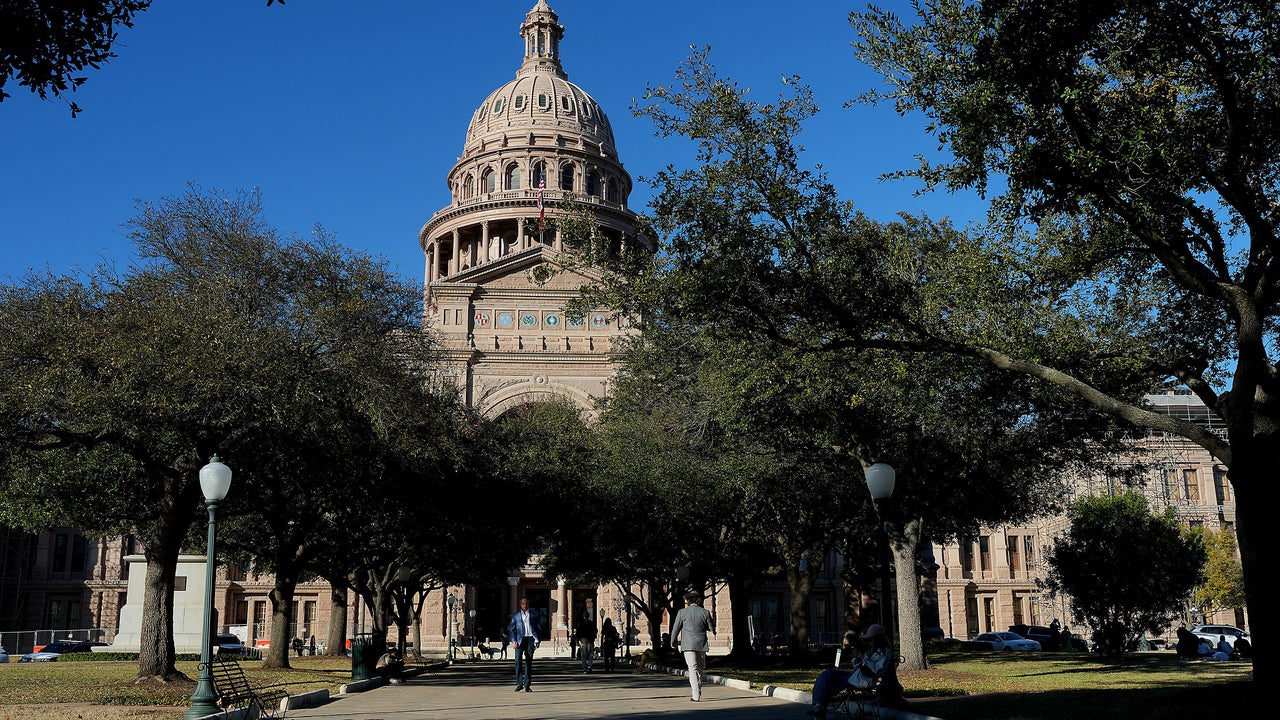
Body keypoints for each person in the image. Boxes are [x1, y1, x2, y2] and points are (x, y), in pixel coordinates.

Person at [807, 624, 892, 720]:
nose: (870, 641)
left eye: (871, 639)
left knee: (829, 683)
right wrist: (857, 658)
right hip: (857, 676)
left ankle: (819, 708)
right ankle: (818, 706)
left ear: (878, 638)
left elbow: (873, 670)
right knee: (827, 674)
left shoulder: (884, 652)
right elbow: (859, 666)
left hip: (864, 680)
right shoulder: (872, 650)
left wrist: (861, 657)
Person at [670, 591, 716, 702]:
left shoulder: (682, 612)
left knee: (692, 668)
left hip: (688, 645)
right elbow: (711, 628)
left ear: (688, 601)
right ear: (698, 600)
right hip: (701, 644)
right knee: (700, 668)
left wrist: (673, 641)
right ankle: (698, 690)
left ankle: (696, 694)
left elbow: (675, 628)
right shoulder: (705, 612)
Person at [507, 595, 543, 692]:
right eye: (523, 604)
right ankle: (519, 684)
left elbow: (538, 628)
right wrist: (513, 640)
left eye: (526, 604)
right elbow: (512, 630)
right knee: (517, 661)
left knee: (528, 662)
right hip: (520, 640)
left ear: (528, 604)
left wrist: (538, 640)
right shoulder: (516, 616)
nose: (525, 606)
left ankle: (527, 685)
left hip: (530, 640)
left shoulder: (534, 614)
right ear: (520, 604)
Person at [574, 597, 599, 673]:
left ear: (583, 616)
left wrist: (577, 641)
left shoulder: (580, 624)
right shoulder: (592, 623)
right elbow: (596, 630)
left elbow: (577, 633)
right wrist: (594, 637)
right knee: (590, 655)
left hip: (583, 641)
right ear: (588, 616)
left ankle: (585, 668)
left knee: (584, 656)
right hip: (590, 641)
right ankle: (589, 666)